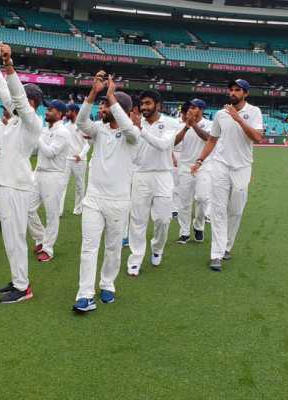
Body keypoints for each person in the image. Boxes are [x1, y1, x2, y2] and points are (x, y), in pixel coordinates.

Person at [73, 72, 139, 313]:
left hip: (119, 201)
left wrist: (111, 96)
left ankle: (107, 283)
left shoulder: (132, 135)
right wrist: (93, 93)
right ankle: (84, 293)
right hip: (93, 199)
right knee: (88, 247)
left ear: (118, 108)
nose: (101, 107)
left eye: (104, 104)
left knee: (112, 248)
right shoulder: (98, 130)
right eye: (101, 104)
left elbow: (130, 130)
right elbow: (81, 123)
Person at [0, 44, 43, 304]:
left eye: (22, 99)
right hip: (8, 185)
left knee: (15, 238)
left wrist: (8, 63)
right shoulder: (17, 119)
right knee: (10, 238)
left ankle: (23, 288)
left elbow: (16, 96)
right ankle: (18, 279)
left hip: (18, 187)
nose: (13, 101)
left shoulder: (32, 122)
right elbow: (7, 93)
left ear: (32, 103)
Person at [191, 79, 263, 271]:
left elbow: (257, 137)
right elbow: (212, 140)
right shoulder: (221, 114)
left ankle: (227, 246)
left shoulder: (254, 112)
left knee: (236, 210)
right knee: (218, 210)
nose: (233, 92)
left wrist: (239, 119)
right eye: (231, 89)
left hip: (242, 167)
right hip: (220, 165)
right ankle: (216, 253)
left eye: (237, 90)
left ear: (245, 93)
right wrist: (200, 160)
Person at [125, 90, 180, 277]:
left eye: (148, 103)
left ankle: (157, 247)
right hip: (140, 175)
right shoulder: (134, 125)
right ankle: (135, 258)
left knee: (163, 219)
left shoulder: (171, 123)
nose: (144, 107)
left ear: (158, 105)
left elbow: (163, 145)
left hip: (163, 175)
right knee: (138, 220)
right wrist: (135, 127)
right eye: (142, 104)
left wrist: (140, 129)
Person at [28, 99, 70, 262]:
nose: (47, 112)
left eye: (51, 110)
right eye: (47, 109)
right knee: (28, 209)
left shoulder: (63, 133)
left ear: (60, 114)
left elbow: (50, 152)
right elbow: (35, 150)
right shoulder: (45, 130)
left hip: (54, 175)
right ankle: (40, 238)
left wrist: (36, 136)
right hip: (38, 173)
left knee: (52, 215)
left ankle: (48, 249)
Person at [174, 99, 213, 244]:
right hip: (185, 166)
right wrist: (186, 127)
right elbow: (174, 142)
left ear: (202, 110)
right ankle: (184, 232)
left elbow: (208, 139)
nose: (191, 109)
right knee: (184, 201)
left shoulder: (210, 124)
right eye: (190, 107)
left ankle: (198, 226)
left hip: (203, 166)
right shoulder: (181, 124)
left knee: (202, 198)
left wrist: (193, 124)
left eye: (195, 107)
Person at [59, 103, 90, 216]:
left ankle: (78, 209)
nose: (66, 113)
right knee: (62, 185)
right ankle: (59, 211)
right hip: (67, 159)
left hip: (80, 160)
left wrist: (81, 155)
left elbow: (88, 144)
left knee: (80, 185)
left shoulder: (83, 126)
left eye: (68, 111)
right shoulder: (65, 126)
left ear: (75, 112)